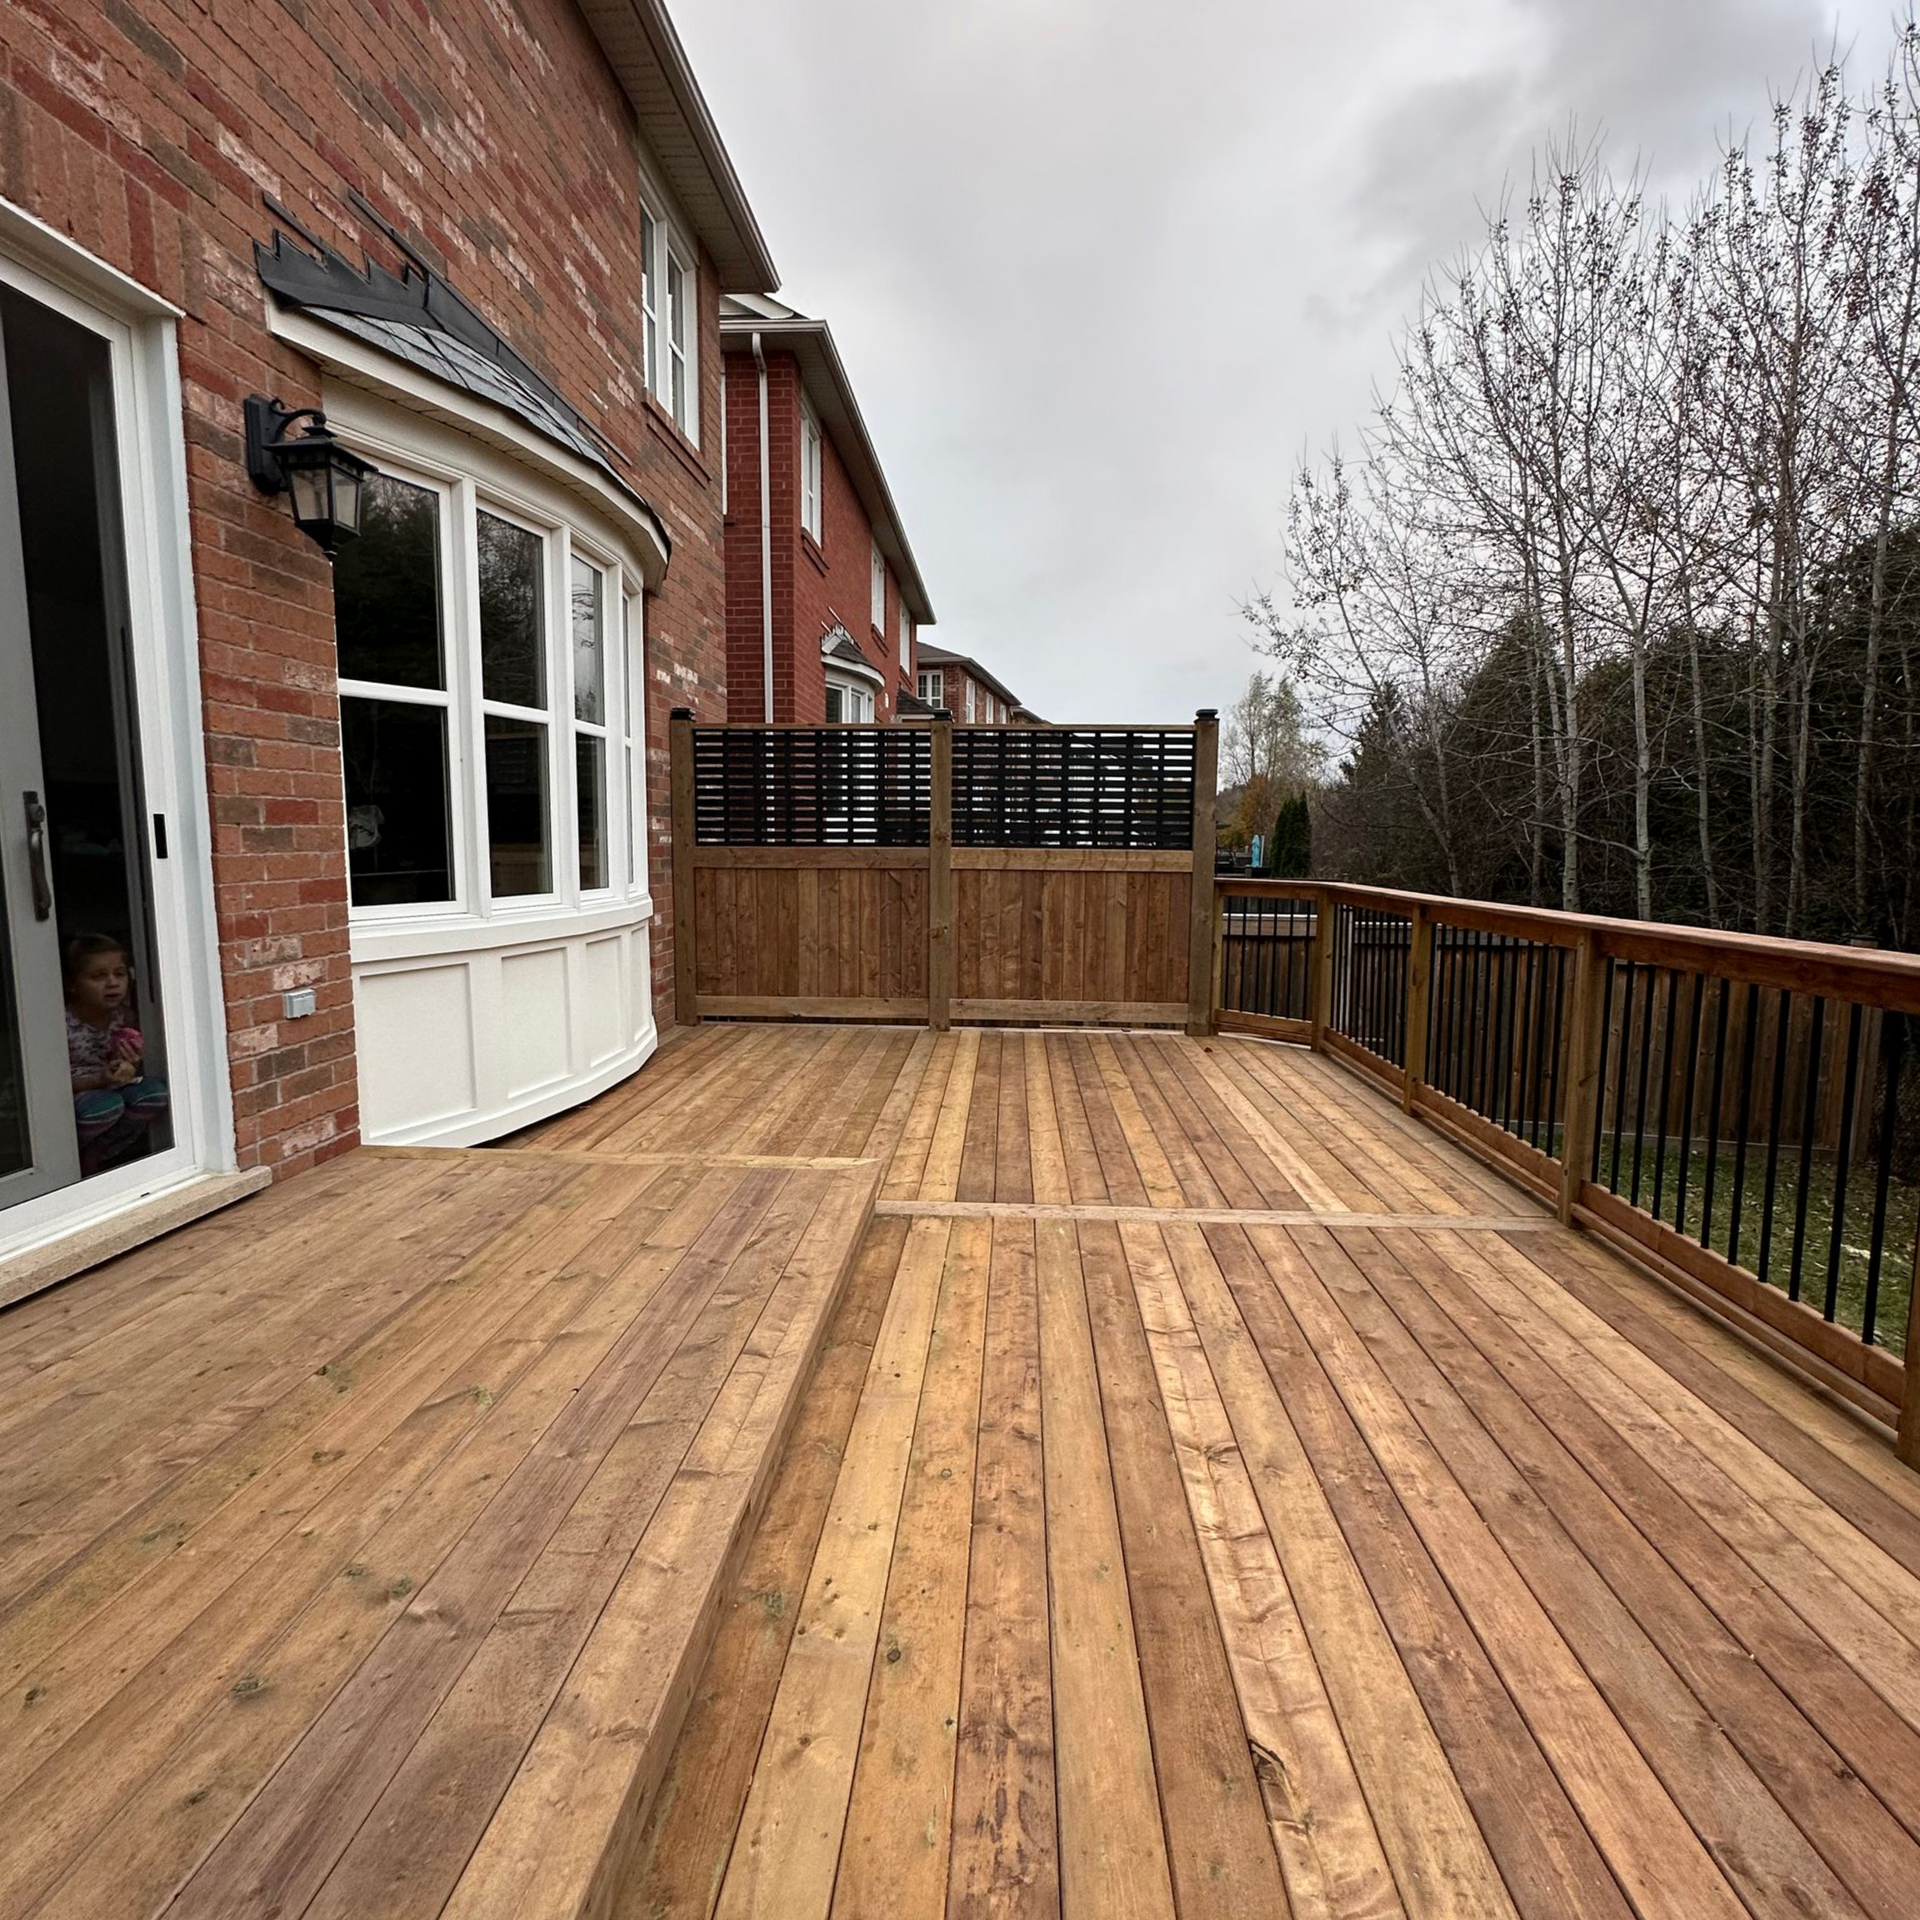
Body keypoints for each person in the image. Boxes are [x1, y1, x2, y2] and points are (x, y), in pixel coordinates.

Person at [63, 933, 168, 1174]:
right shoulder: (61, 1023)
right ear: (73, 983)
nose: (112, 983)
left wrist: (129, 1065)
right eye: (98, 976)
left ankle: (98, 1152)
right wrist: (99, 1080)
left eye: (119, 974)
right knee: (104, 1106)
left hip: (108, 1088)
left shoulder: (124, 1017)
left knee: (155, 1092)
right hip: (75, 1094)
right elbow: (47, 1088)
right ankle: (75, 1156)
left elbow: (123, 1067)